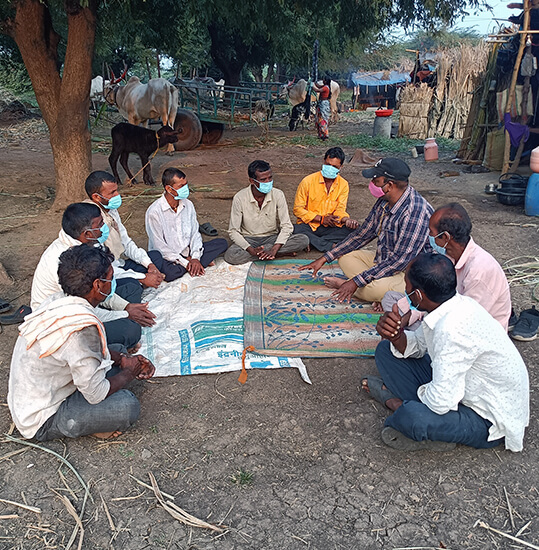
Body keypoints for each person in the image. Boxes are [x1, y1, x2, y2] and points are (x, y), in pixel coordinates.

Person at [366, 253, 529, 452]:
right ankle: (423, 418)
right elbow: (417, 346)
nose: (404, 292)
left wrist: (415, 401)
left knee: (412, 416)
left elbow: (441, 401)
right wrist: (395, 335)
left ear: (417, 295)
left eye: (407, 288)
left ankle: (398, 405)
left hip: (488, 419)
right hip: (460, 390)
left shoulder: (452, 329)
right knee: (385, 351)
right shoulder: (450, 306)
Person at [8, 245, 156, 441]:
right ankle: (77, 425)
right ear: (97, 285)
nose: (112, 284)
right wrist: (130, 372)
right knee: (127, 406)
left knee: (117, 351)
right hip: (41, 418)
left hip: (42, 392)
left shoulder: (57, 299)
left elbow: (85, 352)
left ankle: (95, 401)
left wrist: (122, 359)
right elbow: (96, 394)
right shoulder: (81, 331)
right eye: (111, 279)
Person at [300, 158, 433, 303]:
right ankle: (373, 290)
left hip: (409, 273)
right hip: (384, 261)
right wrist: (325, 258)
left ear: (389, 185)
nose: (372, 183)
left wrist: (355, 282)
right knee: (345, 257)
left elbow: (399, 261)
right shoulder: (384, 201)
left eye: (376, 179)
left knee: (375, 289)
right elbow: (361, 235)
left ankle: (356, 288)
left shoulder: (415, 212)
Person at [30, 203, 155, 350]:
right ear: (87, 233)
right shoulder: (62, 262)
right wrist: (125, 314)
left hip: (86, 301)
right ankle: (113, 345)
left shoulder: (88, 243)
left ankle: (119, 333)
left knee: (132, 288)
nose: (105, 227)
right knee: (130, 331)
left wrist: (126, 307)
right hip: (63, 321)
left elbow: (101, 287)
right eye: (101, 224)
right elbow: (80, 309)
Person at [379, 203, 512, 330]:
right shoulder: (448, 257)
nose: (429, 237)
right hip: (442, 311)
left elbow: (464, 321)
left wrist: (419, 320)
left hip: (466, 330)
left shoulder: (479, 271)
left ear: (445, 237)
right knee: (390, 298)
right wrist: (407, 318)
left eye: (431, 233)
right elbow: (432, 296)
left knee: (419, 333)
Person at [85, 171, 167, 287]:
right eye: (112, 193)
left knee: (155, 258)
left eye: (117, 190)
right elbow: (103, 268)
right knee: (131, 287)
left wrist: (149, 265)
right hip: (105, 273)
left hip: (119, 265)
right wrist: (142, 278)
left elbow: (126, 242)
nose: (118, 195)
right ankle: (139, 284)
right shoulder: (91, 220)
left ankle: (141, 282)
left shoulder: (111, 210)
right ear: (96, 197)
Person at [145, 168, 228, 279]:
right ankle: (194, 265)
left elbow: (195, 233)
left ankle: (194, 265)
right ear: (169, 189)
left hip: (188, 251)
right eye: (181, 186)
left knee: (222, 243)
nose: (186, 189)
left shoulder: (188, 204)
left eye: (186, 184)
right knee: (171, 273)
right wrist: (185, 262)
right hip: (169, 257)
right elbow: (159, 247)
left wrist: (195, 258)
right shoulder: (154, 212)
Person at [224, 160, 309, 265]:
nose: (268, 182)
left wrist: (273, 248)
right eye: (263, 179)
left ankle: (270, 252)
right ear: (252, 181)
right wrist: (251, 250)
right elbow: (233, 231)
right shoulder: (240, 197)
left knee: (303, 240)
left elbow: (287, 226)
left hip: (272, 238)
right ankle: (275, 254)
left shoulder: (278, 194)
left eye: (270, 178)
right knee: (231, 256)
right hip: (249, 239)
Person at [292, 147, 359, 252]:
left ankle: (311, 242)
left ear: (341, 167)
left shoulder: (343, 184)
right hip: (308, 226)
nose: (330, 168)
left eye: (334, 166)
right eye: (328, 164)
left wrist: (346, 220)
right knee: (293, 229)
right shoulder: (307, 181)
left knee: (355, 231)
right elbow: (297, 210)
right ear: (323, 162)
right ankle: (328, 245)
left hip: (329, 227)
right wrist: (321, 219)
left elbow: (340, 209)